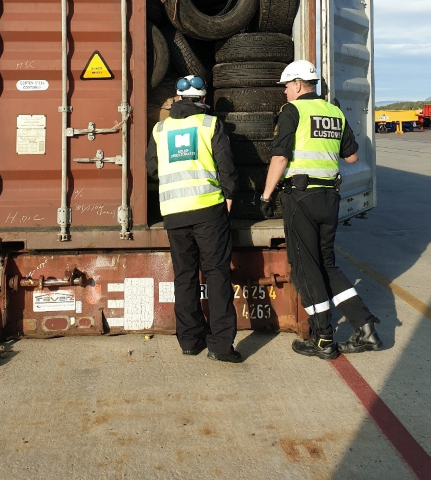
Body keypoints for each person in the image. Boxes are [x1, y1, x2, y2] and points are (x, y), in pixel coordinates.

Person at [260, 60, 382, 360]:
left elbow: (280, 157)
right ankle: (365, 327)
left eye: (287, 86)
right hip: (329, 197)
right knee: (327, 265)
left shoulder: (293, 111)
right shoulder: (335, 112)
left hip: (301, 198)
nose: (285, 92)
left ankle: (323, 338)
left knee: (305, 268)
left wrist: (265, 195)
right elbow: (352, 157)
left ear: (299, 84)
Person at [145, 75, 241, 363]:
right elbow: (226, 165)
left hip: (174, 213)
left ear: (177, 98)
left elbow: (151, 170)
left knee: (184, 276)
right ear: (203, 99)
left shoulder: (160, 129)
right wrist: (230, 195)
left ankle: (189, 340)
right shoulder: (209, 124)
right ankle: (221, 346)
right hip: (209, 210)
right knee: (216, 274)